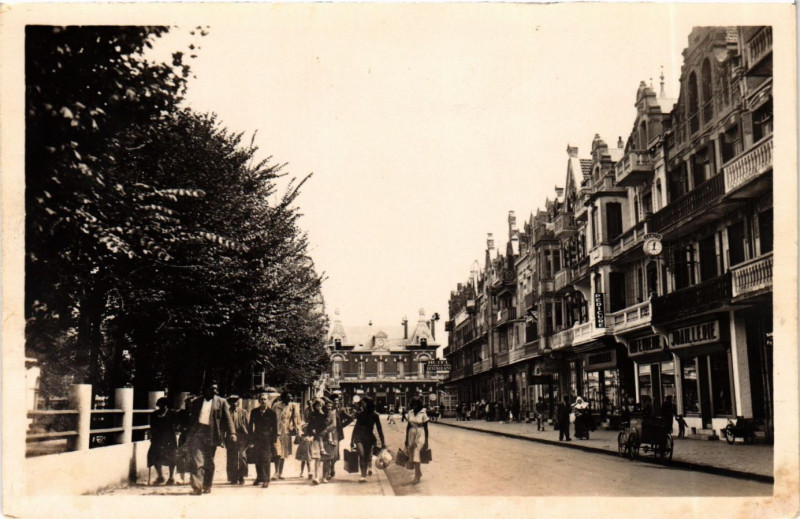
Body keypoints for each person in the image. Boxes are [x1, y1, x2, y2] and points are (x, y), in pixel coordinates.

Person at [186, 382, 236, 495]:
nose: (214, 391)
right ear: (205, 389)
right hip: (198, 432)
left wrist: (232, 433)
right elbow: (192, 419)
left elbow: (228, 418)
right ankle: (197, 487)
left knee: (209, 462)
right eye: (211, 389)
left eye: (216, 389)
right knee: (197, 460)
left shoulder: (221, 402)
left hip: (212, 434)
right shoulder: (197, 402)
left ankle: (207, 485)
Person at [350, 397, 386, 483]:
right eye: (361, 403)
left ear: (369, 404)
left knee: (366, 456)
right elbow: (356, 427)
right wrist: (352, 440)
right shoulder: (360, 414)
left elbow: (379, 429)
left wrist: (383, 442)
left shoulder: (375, 415)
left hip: (369, 437)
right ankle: (363, 475)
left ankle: (364, 474)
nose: (362, 405)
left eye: (363, 403)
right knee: (361, 455)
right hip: (359, 436)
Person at [248, 392, 278, 488]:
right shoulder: (254, 412)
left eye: (265, 399)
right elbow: (250, 426)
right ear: (258, 401)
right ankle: (259, 477)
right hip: (257, 438)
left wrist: (273, 440)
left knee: (266, 459)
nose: (263, 401)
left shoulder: (272, 413)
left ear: (268, 400)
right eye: (261, 399)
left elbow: (275, 428)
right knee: (257, 458)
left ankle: (266, 479)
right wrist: (250, 439)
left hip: (267, 439)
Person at [147, 397, 178, 485]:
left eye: (164, 405)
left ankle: (171, 478)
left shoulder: (172, 414)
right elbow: (152, 426)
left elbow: (175, 425)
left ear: (167, 405)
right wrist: (152, 435)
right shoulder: (154, 414)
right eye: (160, 405)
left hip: (169, 438)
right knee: (154, 455)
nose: (162, 407)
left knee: (171, 457)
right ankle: (160, 476)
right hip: (157, 438)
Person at [272, 391, 301, 481]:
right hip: (276, 432)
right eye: (288, 397)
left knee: (283, 453)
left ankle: (280, 473)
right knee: (277, 452)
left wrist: (297, 430)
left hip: (286, 432)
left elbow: (297, 420)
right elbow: (270, 417)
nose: (290, 399)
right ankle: (276, 472)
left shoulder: (292, 407)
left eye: (291, 397)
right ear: (283, 398)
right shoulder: (276, 406)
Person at [305, 398, 332, 485]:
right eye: (317, 405)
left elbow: (328, 425)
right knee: (317, 458)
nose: (319, 407)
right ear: (314, 406)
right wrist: (310, 432)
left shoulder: (326, 414)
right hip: (316, 437)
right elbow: (309, 425)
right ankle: (316, 477)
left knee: (326, 459)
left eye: (320, 405)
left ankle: (324, 477)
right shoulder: (313, 414)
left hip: (325, 437)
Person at [326, 396, 354, 479]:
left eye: (337, 401)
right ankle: (328, 470)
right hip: (326, 433)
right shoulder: (327, 409)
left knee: (334, 452)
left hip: (336, 433)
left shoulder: (340, 411)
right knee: (327, 451)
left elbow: (350, 418)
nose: (336, 402)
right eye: (334, 401)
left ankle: (332, 466)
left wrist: (341, 426)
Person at [225, 395, 249, 485]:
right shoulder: (226, 412)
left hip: (242, 436)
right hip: (230, 436)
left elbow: (248, 425)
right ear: (229, 403)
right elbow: (223, 426)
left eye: (236, 401)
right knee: (231, 457)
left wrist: (249, 437)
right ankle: (233, 477)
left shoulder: (243, 412)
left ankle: (241, 476)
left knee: (242, 456)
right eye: (232, 401)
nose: (234, 403)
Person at [405, 397, 429, 485]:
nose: (414, 406)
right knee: (412, 454)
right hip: (411, 434)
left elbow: (426, 428)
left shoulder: (423, 413)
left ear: (419, 405)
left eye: (416, 404)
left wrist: (426, 441)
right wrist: (406, 440)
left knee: (416, 453)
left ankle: (416, 476)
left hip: (420, 433)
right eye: (413, 404)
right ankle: (418, 472)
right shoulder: (410, 413)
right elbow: (408, 426)